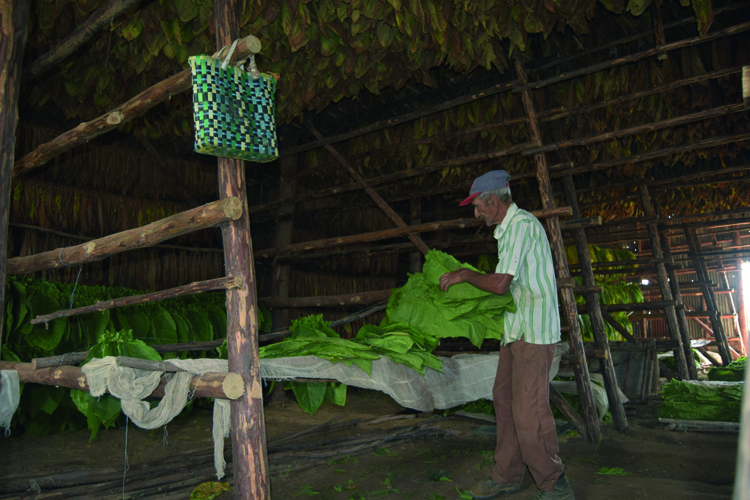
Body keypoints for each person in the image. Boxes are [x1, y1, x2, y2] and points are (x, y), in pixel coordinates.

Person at [439, 170, 574, 500]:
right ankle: (507, 475)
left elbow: (500, 284)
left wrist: (467, 275)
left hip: (534, 333)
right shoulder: (507, 230)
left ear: (494, 201)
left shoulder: (522, 226)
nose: (476, 213)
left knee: (529, 411)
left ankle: (554, 483)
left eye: (478, 206)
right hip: (515, 331)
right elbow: (509, 287)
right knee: (504, 400)